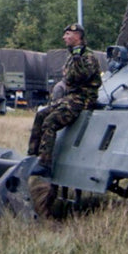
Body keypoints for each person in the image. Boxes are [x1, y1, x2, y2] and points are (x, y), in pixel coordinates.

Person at [28, 23, 101, 174]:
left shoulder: (87, 56)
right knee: (41, 115)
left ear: (78, 36)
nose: (64, 37)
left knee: (51, 122)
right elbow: (67, 79)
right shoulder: (72, 55)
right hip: (72, 97)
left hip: (83, 99)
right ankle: (32, 156)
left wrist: (77, 58)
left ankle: (44, 163)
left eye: (68, 34)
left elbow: (81, 77)